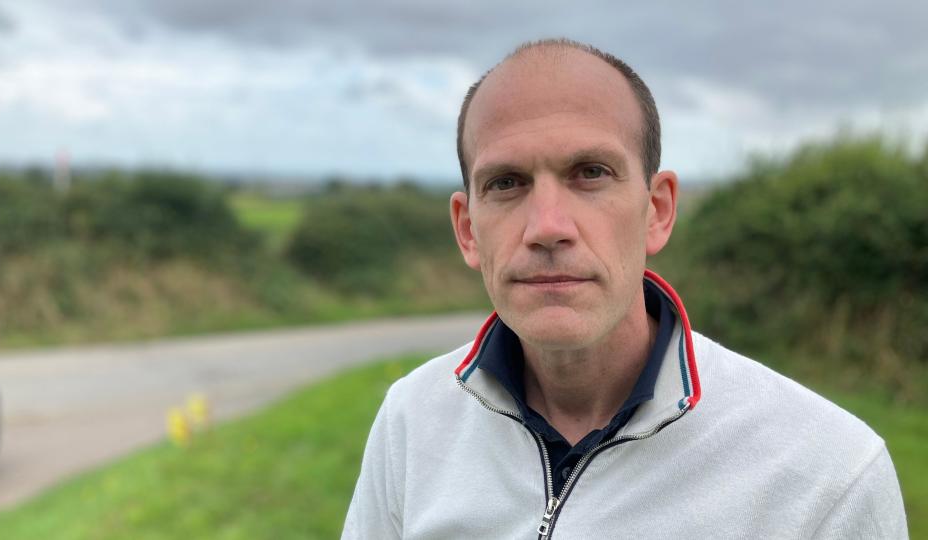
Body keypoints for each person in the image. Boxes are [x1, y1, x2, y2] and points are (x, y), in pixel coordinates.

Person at [342, 38, 908, 539]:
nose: (547, 228)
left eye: (591, 173)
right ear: (468, 229)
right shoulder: (412, 421)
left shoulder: (829, 475)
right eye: (506, 183)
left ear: (657, 212)